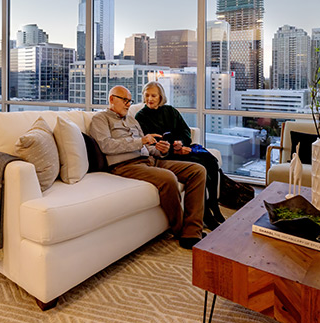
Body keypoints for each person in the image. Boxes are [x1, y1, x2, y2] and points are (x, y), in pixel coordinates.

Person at [88, 85, 206, 249]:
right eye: (125, 100)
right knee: (168, 178)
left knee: (197, 171)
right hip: (125, 166)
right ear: (111, 99)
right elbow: (106, 146)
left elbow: (145, 147)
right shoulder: (100, 119)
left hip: (149, 160)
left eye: (130, 101)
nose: (128, 104)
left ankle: (193, 230)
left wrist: (161, 150)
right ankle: (182, 231)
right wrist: (141, 141)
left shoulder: (132, 120)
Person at [134, 81, 227, 230]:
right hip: (165, 155)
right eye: (147, 95)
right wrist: (172, 149)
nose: (149, 99)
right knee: (200, 167)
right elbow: (149, 145)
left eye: (153, 96)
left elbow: (185, 131)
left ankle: (214, 206)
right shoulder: (140, 117)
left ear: (160, 97)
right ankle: (205, 215)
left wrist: (181, 143)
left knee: (211, 161)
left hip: (180, 149)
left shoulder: (170, 111)